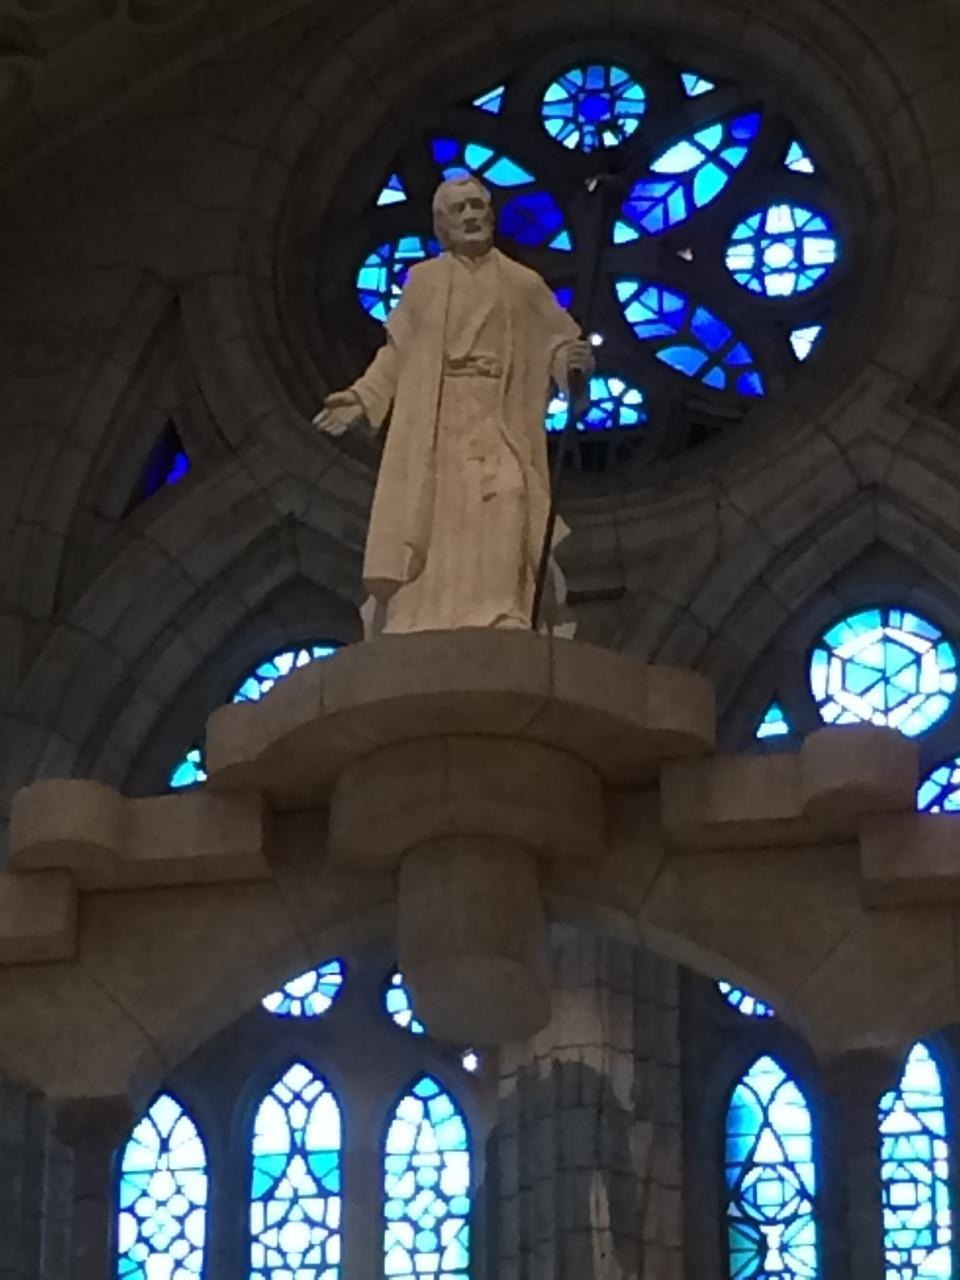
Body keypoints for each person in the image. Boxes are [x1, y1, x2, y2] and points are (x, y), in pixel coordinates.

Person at [314, 174, 594, 635]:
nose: (470, 217)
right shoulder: (425, 281)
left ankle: (503, 608)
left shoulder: (523, 284)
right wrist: (362, 396)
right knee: (439, 508)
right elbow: (398, 352)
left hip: (497, 410)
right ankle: (421, 616)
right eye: (458, 209)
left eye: (477, 207)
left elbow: (559, 342)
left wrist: (572, 365)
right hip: (439, 413)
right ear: (442, 225)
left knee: (507, 495)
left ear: (492, 216)